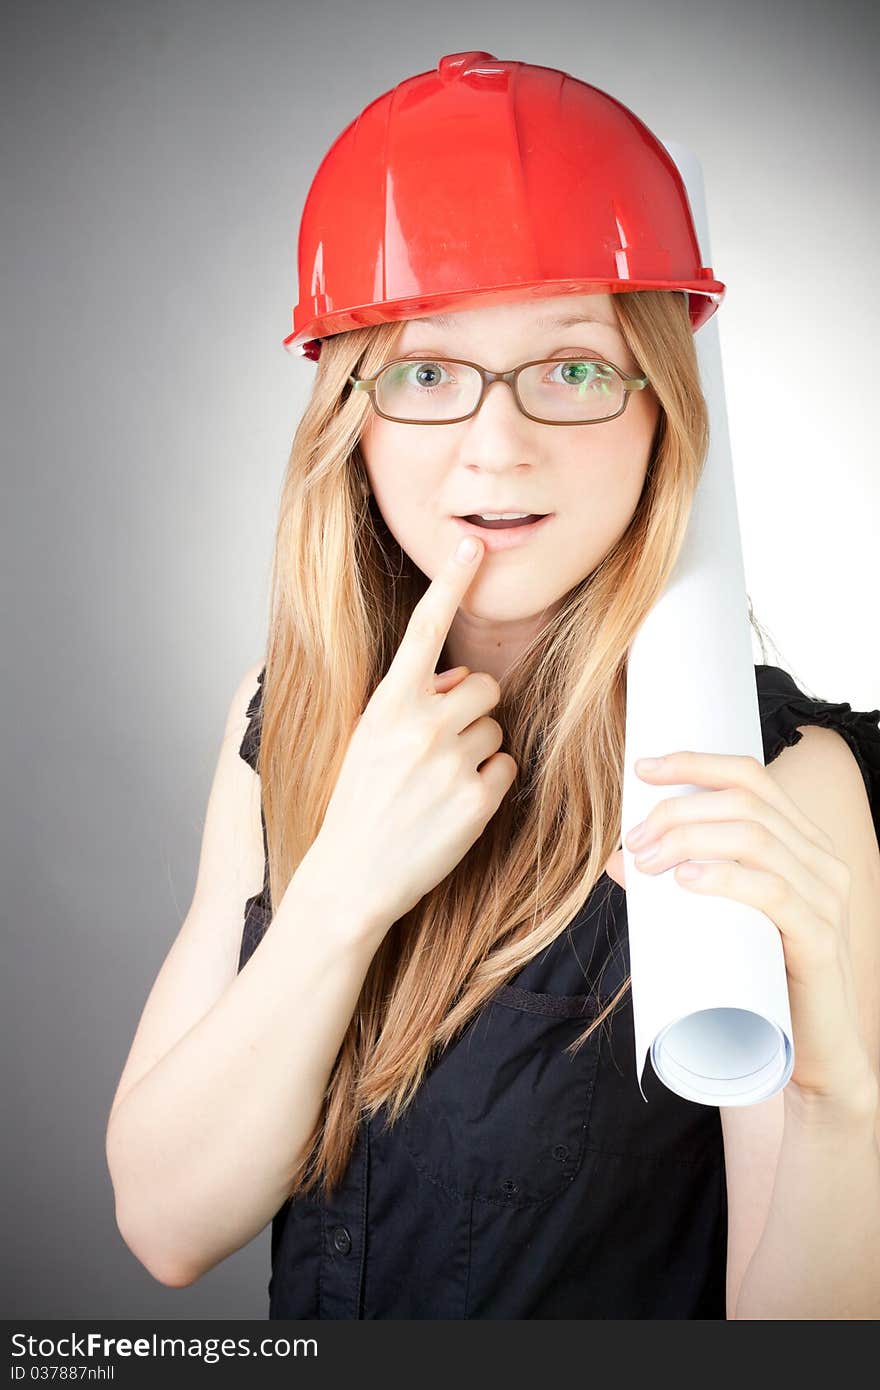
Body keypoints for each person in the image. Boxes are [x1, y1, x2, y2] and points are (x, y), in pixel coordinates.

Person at [105, 55, 880, 1320]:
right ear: (348, 418)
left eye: (571, 368)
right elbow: (165, 1220)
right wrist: (342, 892)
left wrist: (842, 1107)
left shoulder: (770, 783)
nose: (496, 445)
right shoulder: (288, 717)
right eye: (424, 372)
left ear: (660, 410)